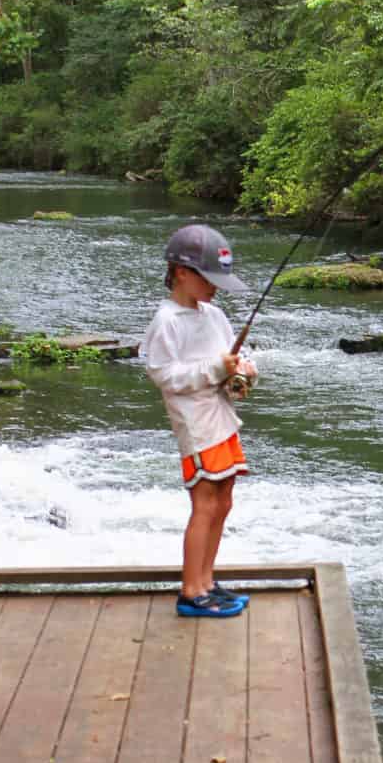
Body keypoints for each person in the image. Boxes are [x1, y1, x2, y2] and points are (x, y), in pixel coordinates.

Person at [141, 223, 257, 618]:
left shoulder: (215, 316)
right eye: (209, 279)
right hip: (195, 424)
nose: (215, 287)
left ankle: (207, 580)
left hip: (223, 419)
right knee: (204, 503)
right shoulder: (167, 321)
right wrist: (214, 369)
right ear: (181, 272)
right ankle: (191, 591)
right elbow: (164, 376)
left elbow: (226, 361)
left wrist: (242, 371)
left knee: (224, 500)